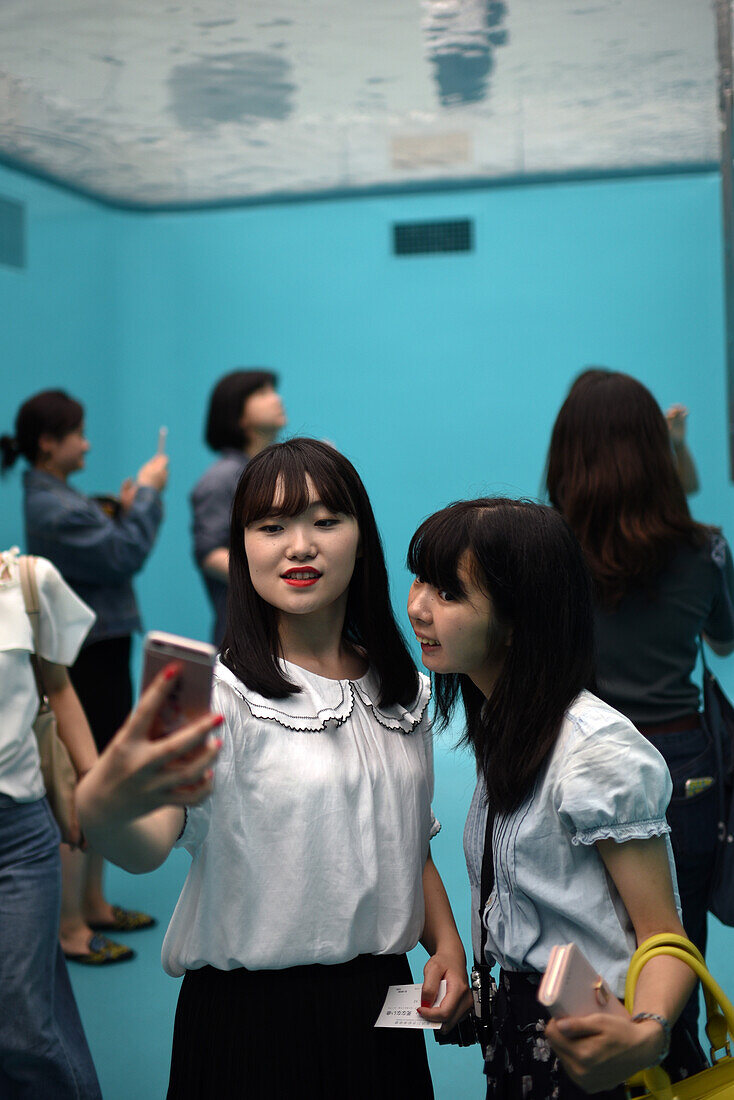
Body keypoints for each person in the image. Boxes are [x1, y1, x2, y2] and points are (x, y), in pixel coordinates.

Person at [78, 437, 472, 1099]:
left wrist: (449, 946)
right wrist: (105, 803)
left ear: (361, 536)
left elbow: (407, 842)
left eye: (325, 521)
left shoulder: (401, 692)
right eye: (271, 526)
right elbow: (146, 846)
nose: (300, 545)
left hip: (383, 1004)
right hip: (248, 1023)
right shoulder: (213, 697)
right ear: (243, 548)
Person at [406, 497, 706, 1099]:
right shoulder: (506, 727)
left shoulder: (596, 750)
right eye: (418, 580)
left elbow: (664, 938)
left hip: (602, 1048)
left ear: (517, 618)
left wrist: (646, 1033)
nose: (417, 606)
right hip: (523, 1045)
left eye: (447, 593)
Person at [546, 368, 734, 1032]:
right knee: (673, 943)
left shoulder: (548, 550)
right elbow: (724, 638)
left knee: (580, 938)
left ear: (565, 450)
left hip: (578, 759)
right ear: (658, 455)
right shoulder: (705, 549)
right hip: (685, 763)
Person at [1, 389, 168, 962]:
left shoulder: (59, 499)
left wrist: (119, 509)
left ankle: (93, 903)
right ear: (49, 443)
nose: (87, 442)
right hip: (87, 659)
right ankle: (71, 926)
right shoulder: (51, 506)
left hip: (99, 651)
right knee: (78, 783)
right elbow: (122, 555)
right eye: (77, 432)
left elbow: (107, 544)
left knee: (96, 780)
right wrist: (147, 496)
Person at [0, 546, 102, 1097]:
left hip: (16, 834)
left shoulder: (26, 582)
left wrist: (89, 782)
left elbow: (58, 688)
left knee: (25, 1030)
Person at [190, 369, 287, 645]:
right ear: (238, 415)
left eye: (273, 390)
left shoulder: (274, 472)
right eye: (262, 393)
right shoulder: (221, 478)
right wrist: (275, 578)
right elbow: (209, 553)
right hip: (247, 635)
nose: (276, 399)